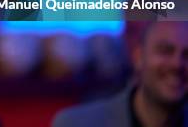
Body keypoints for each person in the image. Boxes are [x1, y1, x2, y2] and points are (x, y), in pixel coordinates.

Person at [52, 21, 188, 127]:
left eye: (187, 54)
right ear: (139, 56)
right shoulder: (77, 124)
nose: (177, 64)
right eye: (165, 51)